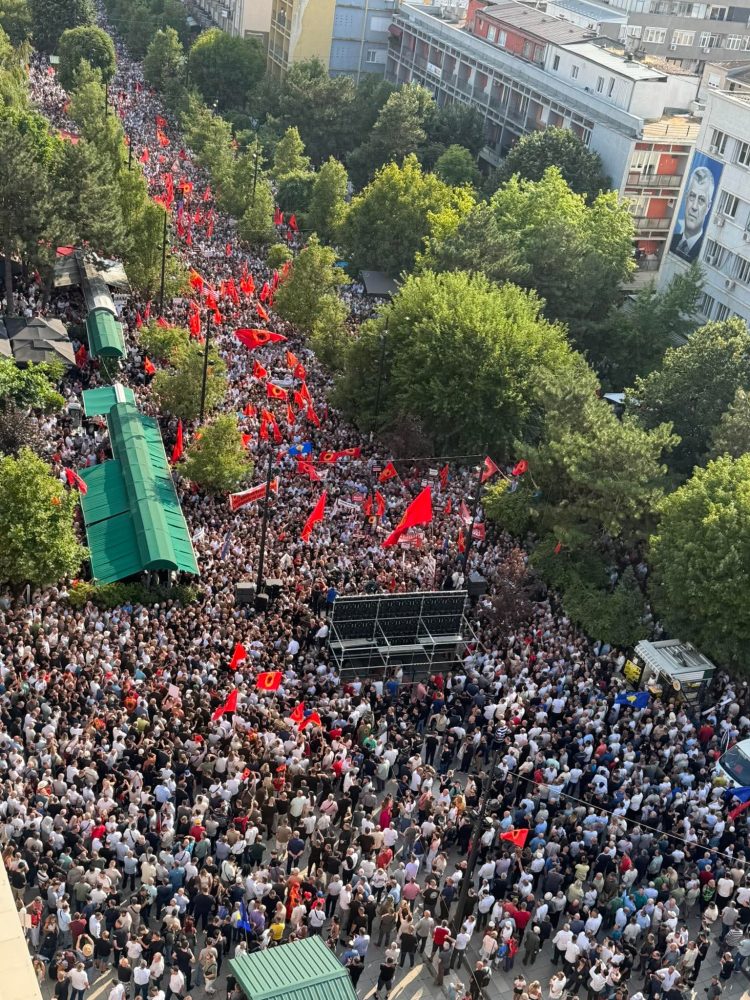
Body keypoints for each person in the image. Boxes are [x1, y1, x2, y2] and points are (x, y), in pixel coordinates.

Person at [670, 164, 716, 261]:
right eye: (692, 196)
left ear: (708, 207)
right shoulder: (672, 240)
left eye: (701, 200)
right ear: (686, 197)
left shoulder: (702, 250)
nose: (694, 207)